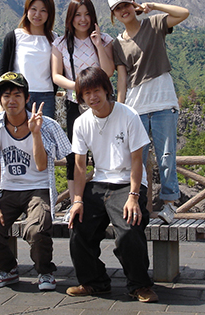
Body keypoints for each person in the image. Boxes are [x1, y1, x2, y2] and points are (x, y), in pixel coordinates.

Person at [66, 67, 158, 303]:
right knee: (78, 227)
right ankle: (94, 282)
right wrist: (77, 200)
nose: (92, 97)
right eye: (86, 93)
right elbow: (79, 166)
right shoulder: (81, 122)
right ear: (81, 97)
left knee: (130, 227)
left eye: (96, 90)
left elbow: (139, 161)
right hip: (98, 183)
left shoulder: (128, 115)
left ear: (107, 90)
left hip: (128, 183)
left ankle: (139, 285)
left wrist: (135, 197)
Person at [0, 72, 71, 290]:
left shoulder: (45, 125)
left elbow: (41, 166)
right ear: (0, 100)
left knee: (36, 230)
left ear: (27, 98)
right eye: (6, 95)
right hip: (7, 191)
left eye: (17, 95)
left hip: (37, 189)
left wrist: (35, 133)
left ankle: (45, 272)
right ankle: (8, 270)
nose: (11, 100)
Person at [108, 0, 190, 224]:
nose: (124, 10)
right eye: (118, 8)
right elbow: (121, 80)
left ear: (134, 5)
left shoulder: (154, 24)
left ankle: (169, 205)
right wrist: (119, 111)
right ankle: (139, 206)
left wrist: (153, 5)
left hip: (164, 101)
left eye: (126, 4)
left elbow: (183, 13)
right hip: (136, 107)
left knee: (166, 156)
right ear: (114, 15)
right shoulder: (117, 44)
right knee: (137, 159)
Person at [51, 0, 115, 203]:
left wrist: (97, 44)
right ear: (70, 17)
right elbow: (56, 75)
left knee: (103, 152)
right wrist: (78, 88)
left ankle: (104, 201)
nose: (83, 19)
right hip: (74, 104)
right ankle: (75, 201)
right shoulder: (60, 43)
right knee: (74, 154)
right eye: (78, 14)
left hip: (102, 104)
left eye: (87, 14)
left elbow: (108, 71)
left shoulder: (105, 39)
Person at [0, 0, 58, 119]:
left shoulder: (54, 39)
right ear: (26, 10)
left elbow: (57, 71)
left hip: (45, 96)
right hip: (18, 94)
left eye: (43, 10)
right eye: (33, 9)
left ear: (49, 13)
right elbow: (3, 73)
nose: (38, 14)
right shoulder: (14, 37)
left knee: (44, 136)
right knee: (18, 136)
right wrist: (2, 102)